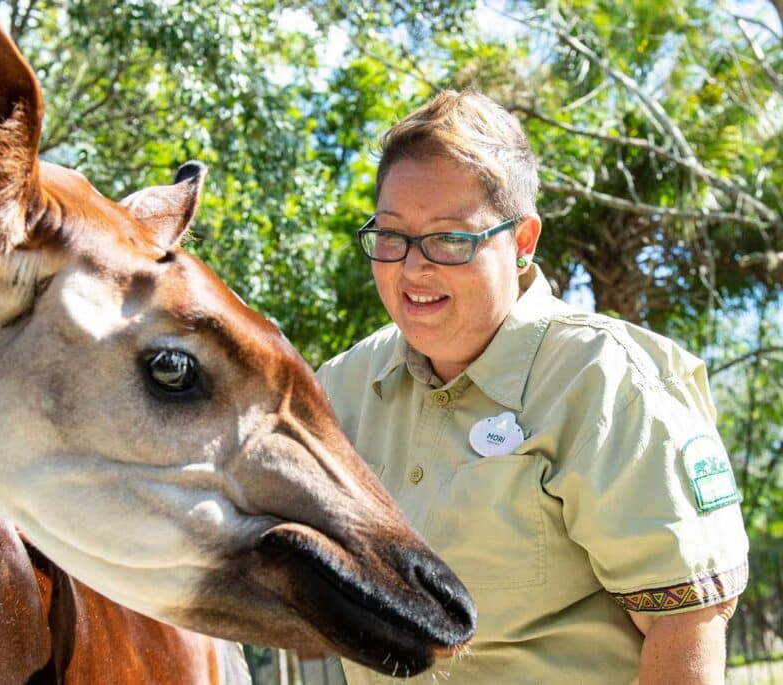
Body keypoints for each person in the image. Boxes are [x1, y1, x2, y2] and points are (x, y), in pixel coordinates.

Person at [315, 90, 748, 684]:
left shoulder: (605, 382)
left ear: (522, 243)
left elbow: (689, 622)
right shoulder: (341, 390)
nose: (414, 268)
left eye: (450, 239)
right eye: (391, 236)